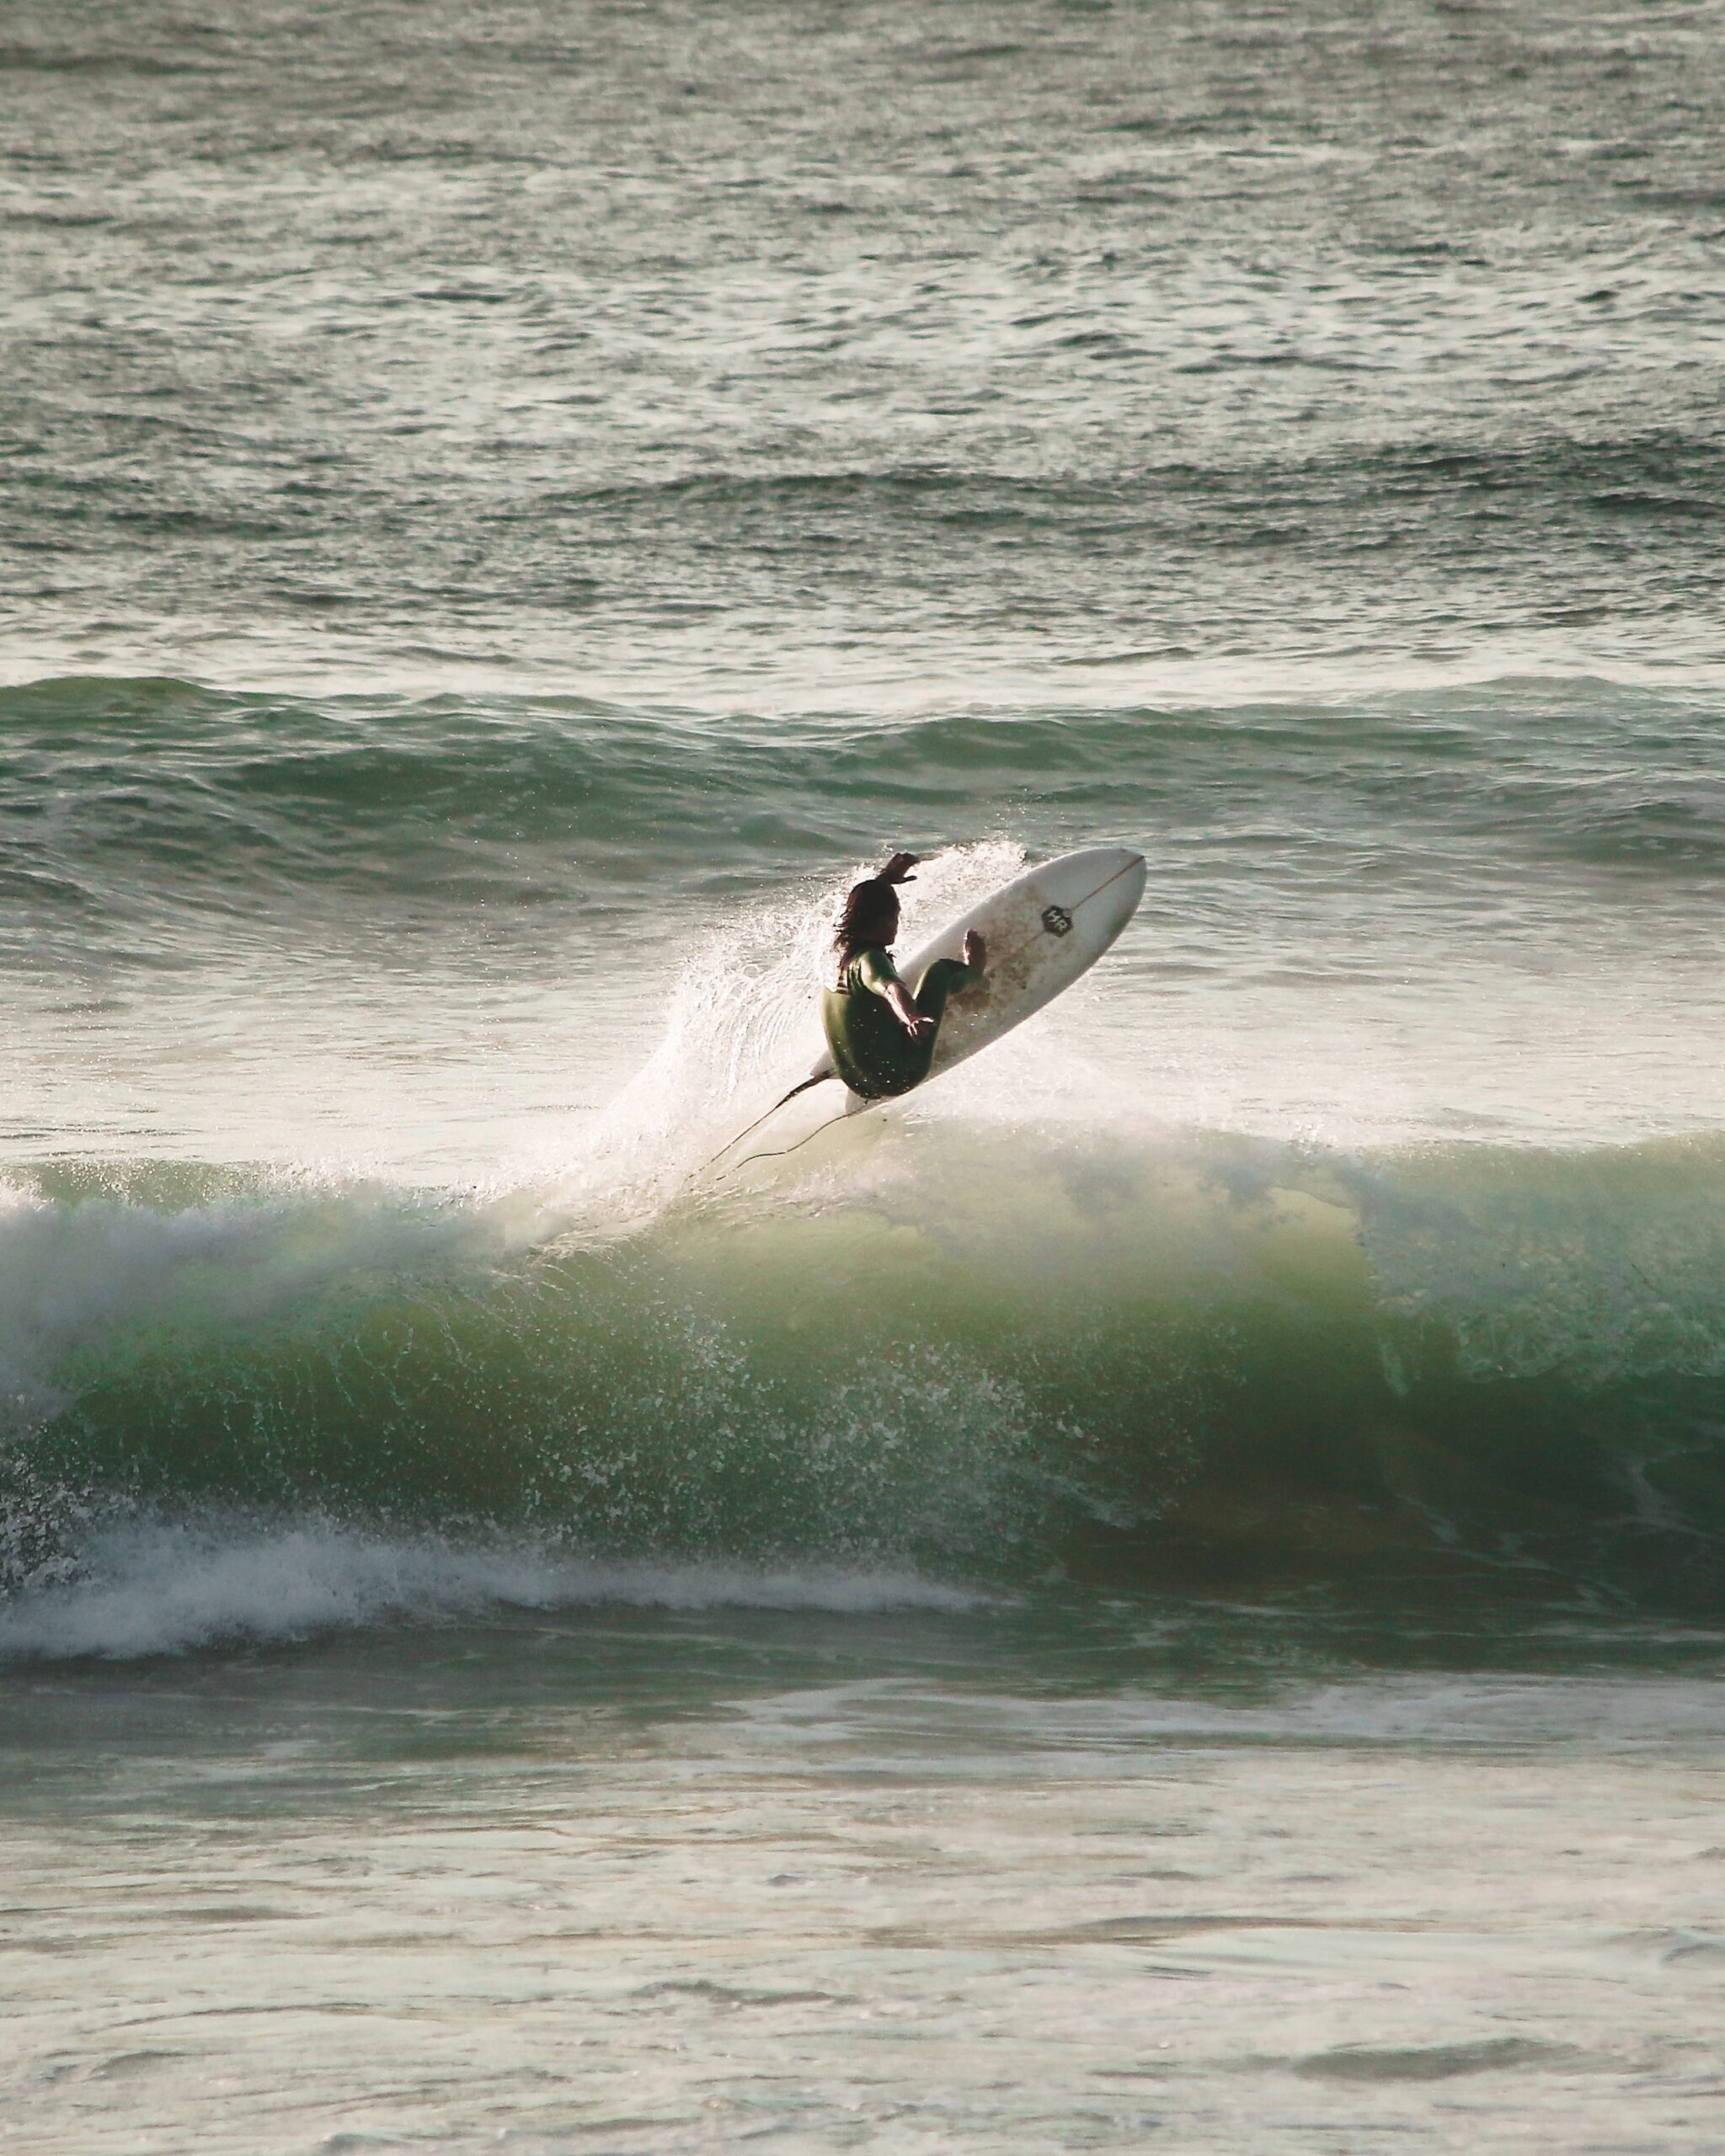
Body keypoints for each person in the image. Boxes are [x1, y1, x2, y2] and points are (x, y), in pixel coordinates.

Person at [821, 851, 985, 1100]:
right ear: (883, 919)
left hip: (856, 1083)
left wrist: (886, 879)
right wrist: (913, 1018)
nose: (897, 923)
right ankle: (974, 973)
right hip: (899, 1076)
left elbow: (865, 903)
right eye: (896, 915)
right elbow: (889, 988)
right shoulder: (870, 960)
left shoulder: (835, 955)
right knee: (939, 972)